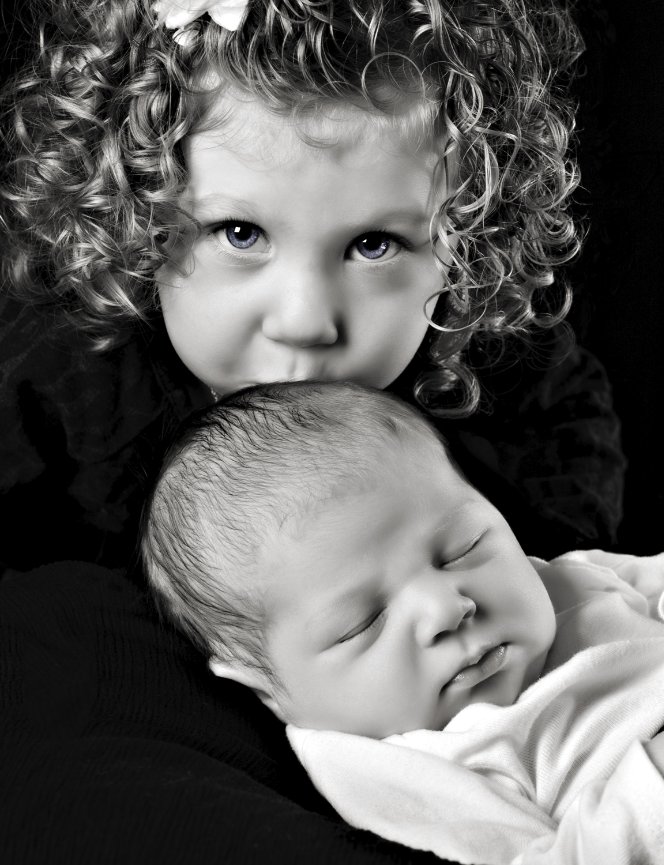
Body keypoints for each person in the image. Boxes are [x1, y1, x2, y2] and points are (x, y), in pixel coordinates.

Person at [0, 0, 625, 861]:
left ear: (468, 236)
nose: (305, 319)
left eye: (375, 244)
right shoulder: (59, 391)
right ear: (134, 211)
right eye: (240, 232)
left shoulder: (516, 411)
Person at [142, 379, 664, 865]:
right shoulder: (397, 772)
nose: (447, 608)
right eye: (362, 623)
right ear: (269, 688)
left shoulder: (560, 582)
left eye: (463, 548)